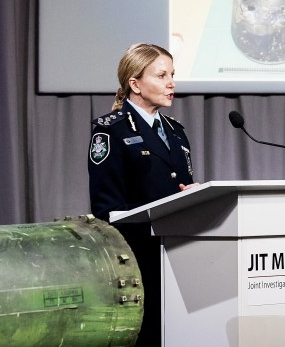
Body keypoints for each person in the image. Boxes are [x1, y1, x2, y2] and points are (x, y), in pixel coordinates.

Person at [88, 42, 197, 346]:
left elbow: (180, 185)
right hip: (138, 259)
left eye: (172, 74)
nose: (172, 83)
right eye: (162, 75)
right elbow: (106, 208)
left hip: (177, 254)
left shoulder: (176, 131)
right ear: (134, 84)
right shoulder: (111, 130)